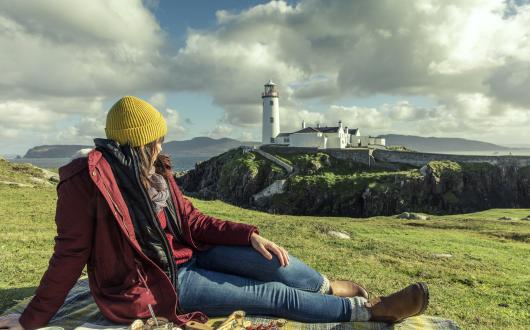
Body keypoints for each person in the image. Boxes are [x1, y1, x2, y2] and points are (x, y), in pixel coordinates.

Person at [0, 96, 429, 330]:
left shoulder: (157, 170)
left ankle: (323, 286)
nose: (164, 148)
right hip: (155, 282)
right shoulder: (84, 184)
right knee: (271, 297)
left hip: (191, 252)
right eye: (158, 141)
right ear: (139, 144)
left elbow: (192, 221)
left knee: (278, 264)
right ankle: (370, 312)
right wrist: (34, 319)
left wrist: (248, 235)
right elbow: (68, 255)